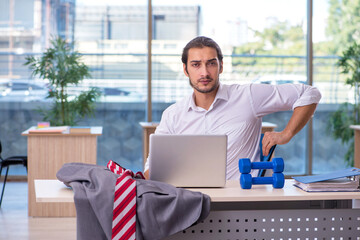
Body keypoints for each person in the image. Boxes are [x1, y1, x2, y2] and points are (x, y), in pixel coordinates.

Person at [144, 36, 321, 180]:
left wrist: (286, 134)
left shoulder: (248, 96)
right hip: (190, 201)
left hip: (242, 202)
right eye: (196, 65)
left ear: (221, 66)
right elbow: (152, 168)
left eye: (211, 63)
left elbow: (309, 93)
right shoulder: (173, 114)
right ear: (185, 70)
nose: (204, 73)